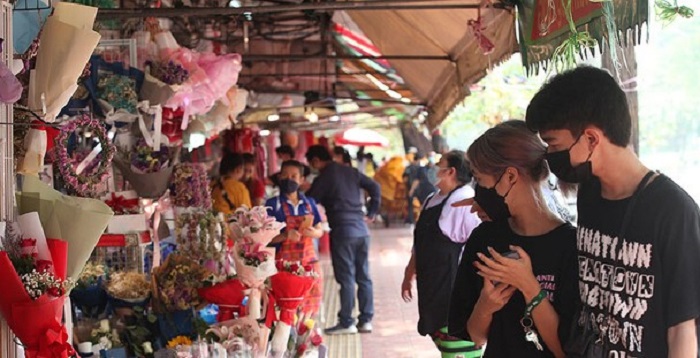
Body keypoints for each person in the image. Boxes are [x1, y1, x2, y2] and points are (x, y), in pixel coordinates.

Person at [525, 66, 700, 357]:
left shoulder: (673, 211)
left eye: (553, 144)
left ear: (591, 139)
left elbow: (683, 328)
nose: (550, 156)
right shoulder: (589, 194)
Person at [448, 121, 578, 358]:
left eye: (479, 178)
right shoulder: (484, 238)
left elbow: (564, 350)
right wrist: (485, 307)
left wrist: (529, 286)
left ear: (509, 176)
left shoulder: (571, 246)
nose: (478, 189)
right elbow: (476, 338)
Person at [401, 150, 481, 357]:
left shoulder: (464, 201)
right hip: (431, 285)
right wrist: (409, 273)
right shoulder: (431, 199)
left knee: (457, 346)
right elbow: (421, 243)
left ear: (450, 171)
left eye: (439, 164)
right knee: (440, 338)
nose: (434, 169)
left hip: (452, 287)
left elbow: (478, 246)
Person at [305, 145, 381, 335]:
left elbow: (308, 202)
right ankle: (365, 320)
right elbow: (375, 186)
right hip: (362, 231)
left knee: (346, 278)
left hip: (343, 231)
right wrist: (372, 212)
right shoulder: (350, 171)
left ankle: (347, 321)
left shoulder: (324, 177)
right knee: (364, 277)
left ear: (315, 161)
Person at [266, 160, 324, 317]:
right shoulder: (272, 205)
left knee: (310, 307)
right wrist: (285, 235)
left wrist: (313, 232)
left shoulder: (309, 203)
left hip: (309, 264)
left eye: (293, 176)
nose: (288, 179)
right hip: (284, 267)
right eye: (285, 175)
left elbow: (320, 230)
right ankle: (289, 340)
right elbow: (264, 239)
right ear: (279, 177)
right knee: (285, 309)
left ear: (301, 180)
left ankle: (309, 338)